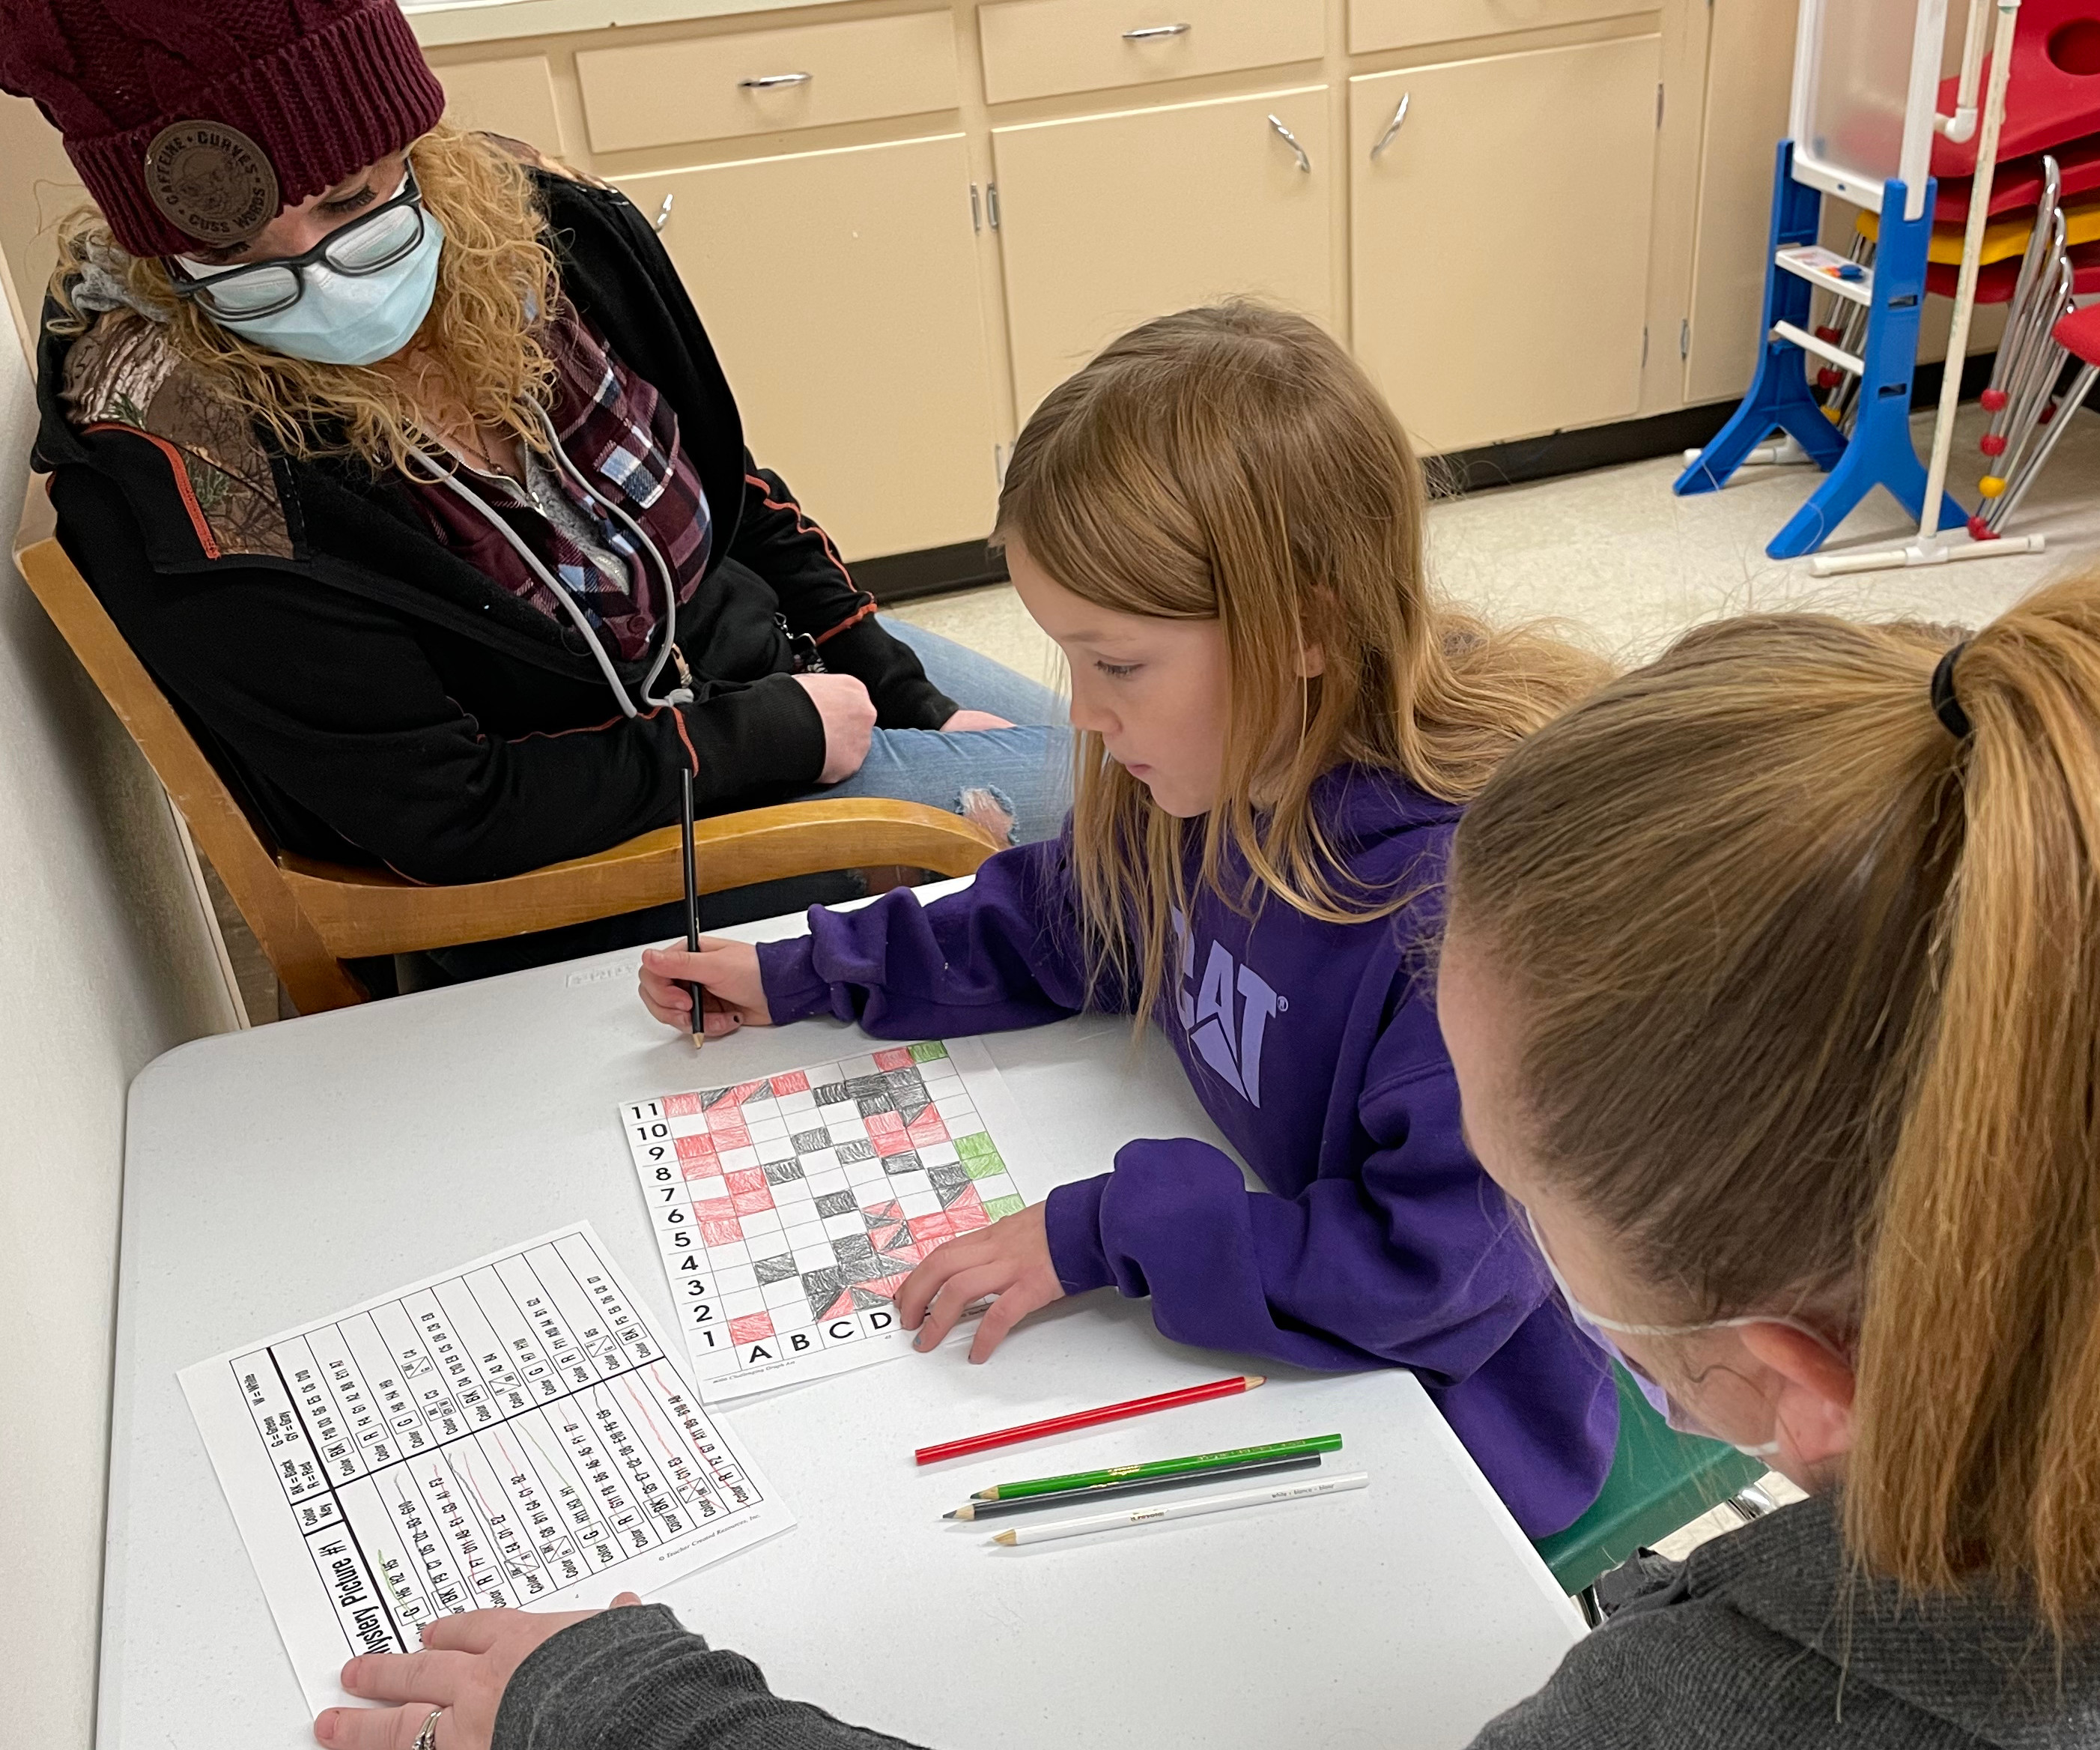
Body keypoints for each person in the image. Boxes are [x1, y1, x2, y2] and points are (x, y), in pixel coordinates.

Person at [316, 583, 2100, 1750]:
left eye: (1511, 1180)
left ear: (1793, 1387)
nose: (1077, 715)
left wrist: (639, 1718)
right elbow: (1077, 905)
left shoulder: (1697, 1712)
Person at [640, 301, 1619, 1539]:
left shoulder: (1466, 924)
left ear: (1306, 629)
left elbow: (1423, 1273)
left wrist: (1107, 1229)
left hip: (1451, 1418)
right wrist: (808, 970)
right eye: (1070, 661)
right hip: (1267, 1294)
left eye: (1117, 665)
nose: (1084, 718)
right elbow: (1072, 910)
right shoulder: (1222, 761)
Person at [1, 0, 1068, 984]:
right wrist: (777, 734)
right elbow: (447, 814)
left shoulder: (542, 233)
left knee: (1168, 752)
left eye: (351, 201)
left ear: (417, 146)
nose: (321, 275)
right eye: (233, 250)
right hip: (598, 840)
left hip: (762, 674)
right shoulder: (191, 483)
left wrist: (893, 677)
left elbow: (729, 485)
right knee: (1138, 820)